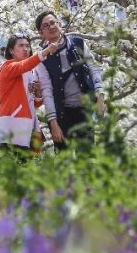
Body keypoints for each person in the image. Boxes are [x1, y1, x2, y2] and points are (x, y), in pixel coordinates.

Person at [32, 11, 105, 149]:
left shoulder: (79, 43)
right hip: (62, 115)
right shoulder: (42, 58)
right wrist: (53, 123)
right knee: (64, 164)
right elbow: (47, 91)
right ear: (41, 33)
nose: (51, 27)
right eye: (46, 26)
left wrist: (100, 93)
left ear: (60, 24)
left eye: (53, 23)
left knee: (87, 159)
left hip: (84, 111)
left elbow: (93, 67)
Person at [0, 34, 63, 155]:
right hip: (12, 125)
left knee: (29, 169)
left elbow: (32, 103)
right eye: (21, 46)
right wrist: (47, 51)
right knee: (9, 168)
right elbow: (24, 65)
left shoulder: (30, 73)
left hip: (30, 125)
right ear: (11, 50)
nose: (26, 49)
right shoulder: (7, 67)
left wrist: (38, 95)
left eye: (27, 46)